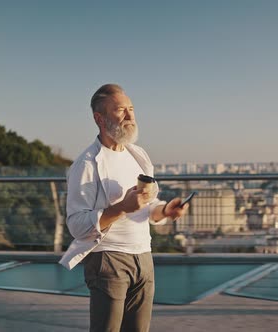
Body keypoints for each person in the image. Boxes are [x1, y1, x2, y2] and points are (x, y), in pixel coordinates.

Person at [59, 83, 189, 332]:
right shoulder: (86, 164)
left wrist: (165, 210)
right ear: (100, 118)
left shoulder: (138, 155)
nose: (130, 116)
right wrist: (120, 208)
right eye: (121, 110)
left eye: (131, 108)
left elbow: (147, 206)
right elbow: (76, 225)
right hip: (108, 258)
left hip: (143, 256)